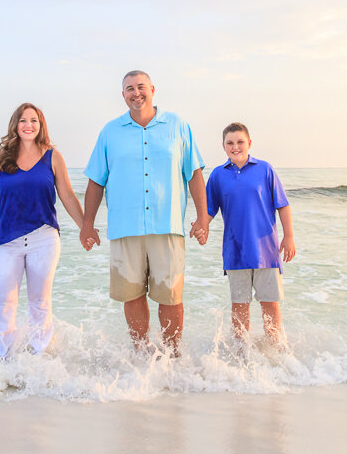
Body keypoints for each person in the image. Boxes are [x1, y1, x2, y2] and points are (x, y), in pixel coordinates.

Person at [79, 70, 210, 354]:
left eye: (141, 87)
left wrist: (203, 216)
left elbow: (195, 173)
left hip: (168, 224)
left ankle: (173, 356)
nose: (136, 93)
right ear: (123, 95)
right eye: (129, 89)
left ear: (152, 89)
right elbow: (96, 181)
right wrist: (87, 224)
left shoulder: (177, 125)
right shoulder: (110, 132)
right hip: (126, 226)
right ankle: (142, 356)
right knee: (132, 295)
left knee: (171, 297)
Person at [0, 103, 86, 358]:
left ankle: (38, 356)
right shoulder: (2, 157)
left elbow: (67, 194)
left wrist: (85, 227)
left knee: (39, 302)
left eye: (34, 120)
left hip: (43, 237)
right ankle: (1, 357)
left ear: (41, 125)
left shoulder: (53, 157)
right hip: (5, 241)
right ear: (15, 125)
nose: (28, 125)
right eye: (23, 120)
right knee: (4, 301)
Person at [205, 122, 296, 347]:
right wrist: (200, 227)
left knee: (270, 304)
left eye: (240, 142)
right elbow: (208, 210)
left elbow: (283, 205)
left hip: (266, 251)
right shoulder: (217, 175)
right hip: (235, 251)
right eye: (230, 143)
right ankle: (242, 353)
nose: (235, 147)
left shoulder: (265, 169)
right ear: (223, 146)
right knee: (239, 306)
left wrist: (289, 237)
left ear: (249, 143)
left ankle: (275, 351)